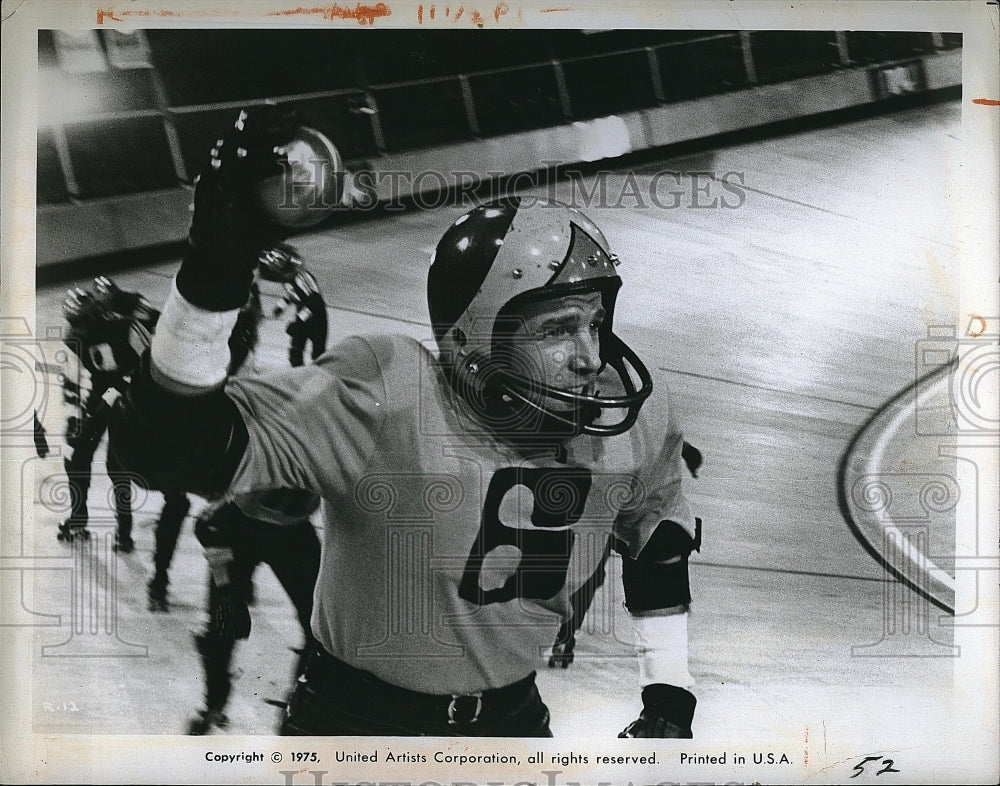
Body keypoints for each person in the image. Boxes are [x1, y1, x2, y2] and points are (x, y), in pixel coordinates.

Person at [111, 106, 703, 738]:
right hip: (355, 722)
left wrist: (668, 688)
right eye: (556, 329)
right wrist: (212, 268)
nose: (590, 357)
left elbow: (658, 540)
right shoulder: (386, 390)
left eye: (596, 322)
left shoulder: (634, 414)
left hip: (512, 721)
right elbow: (165, 450)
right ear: (474, 342)